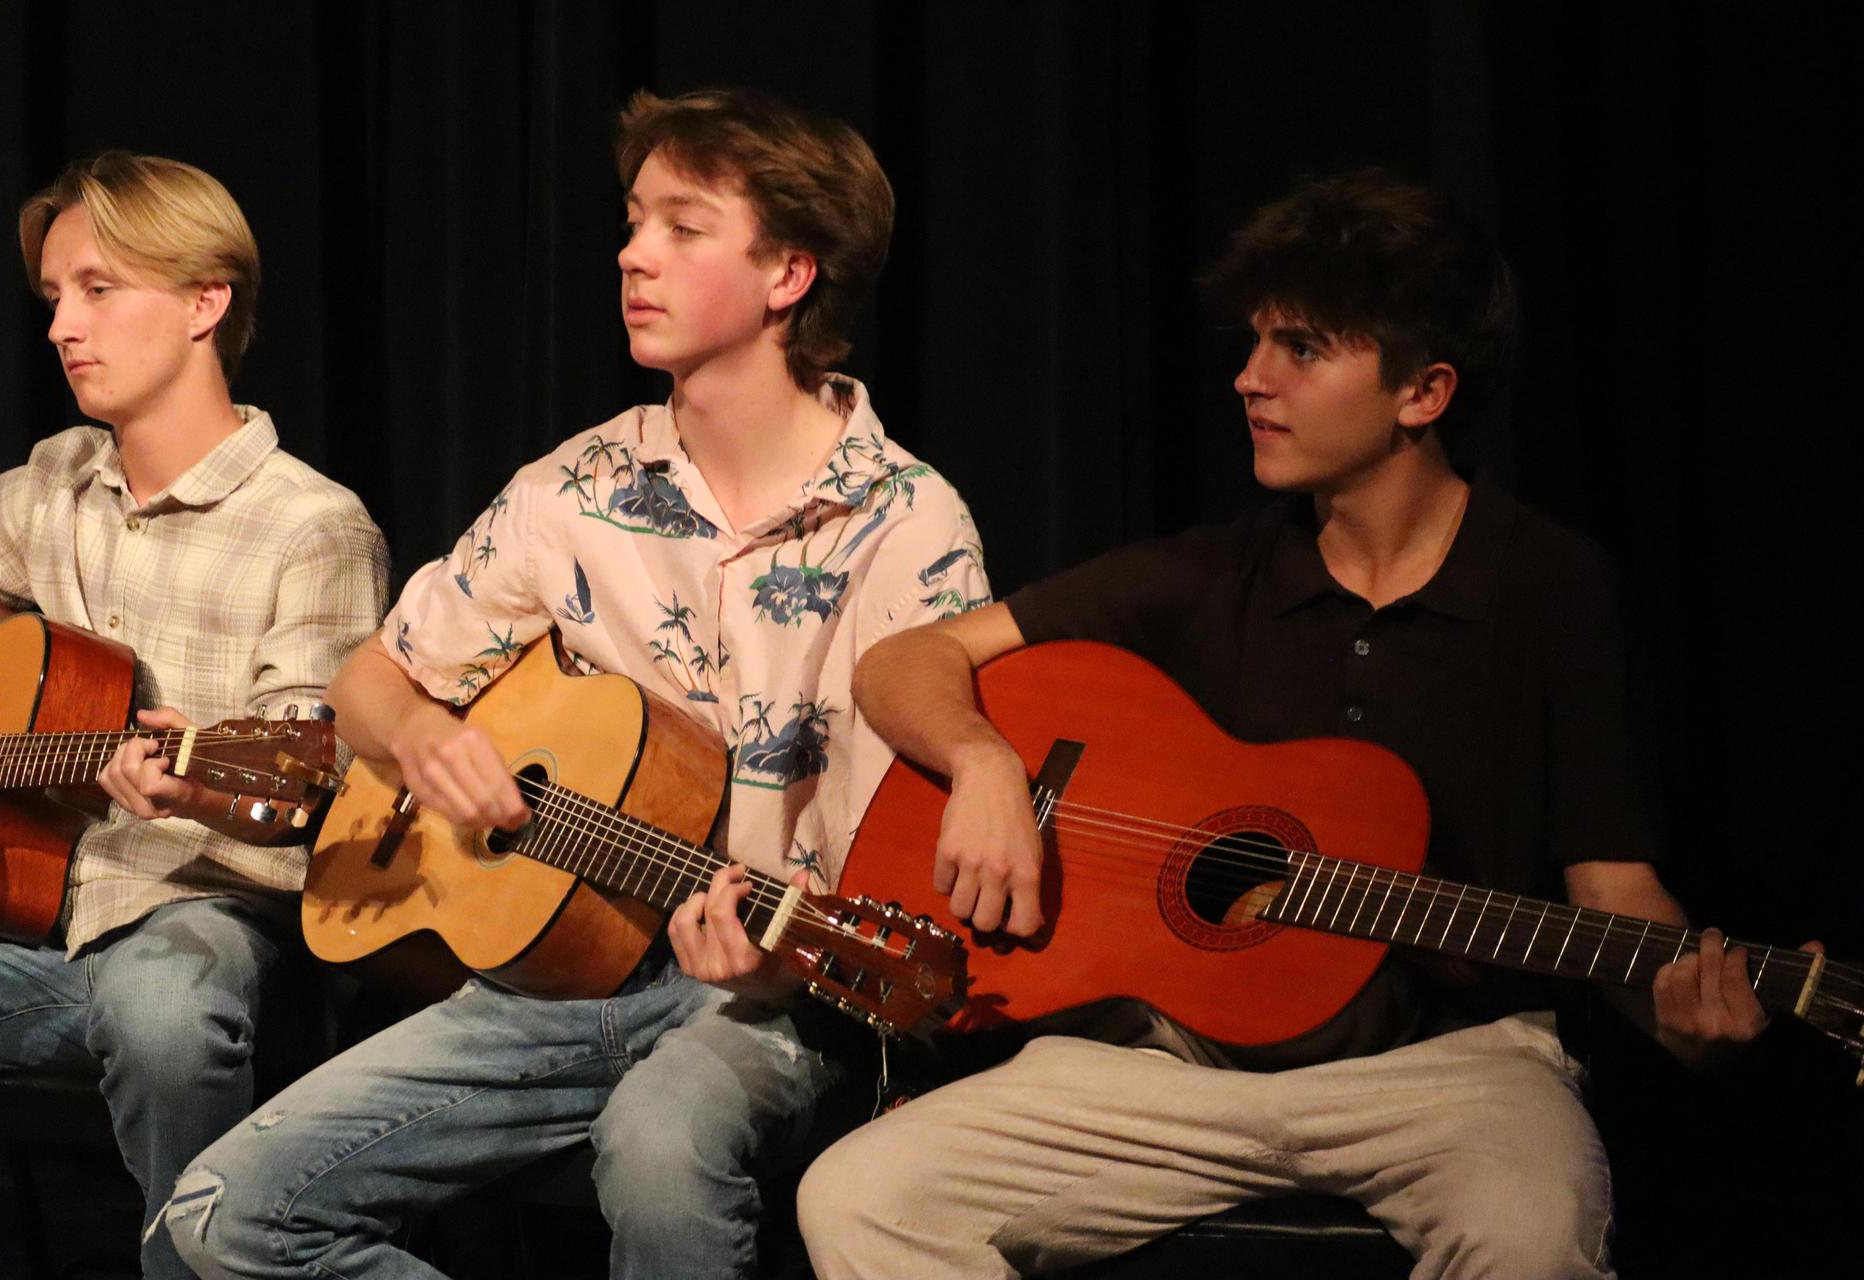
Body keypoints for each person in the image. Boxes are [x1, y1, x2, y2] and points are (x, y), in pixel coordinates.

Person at [797, 170, 1786, 1280]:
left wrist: (1685, 1020)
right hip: (1172, 1065)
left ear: (1424, 391)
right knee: (861, 1195)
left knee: (1532, 1232)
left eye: (1301, 349)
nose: (1249, 378)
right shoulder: (1214, 569)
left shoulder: (1551, 589)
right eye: (1257, 341)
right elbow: (908, 658)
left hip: (1448, 1073)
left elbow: (1616, 895)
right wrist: (979, 761)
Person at [165, 87, 989, 1280]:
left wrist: (776, 958)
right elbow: (368, 677)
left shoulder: (907, 522)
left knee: (658, 1147)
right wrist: (416, 733)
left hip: (786, 984)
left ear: (790, 274)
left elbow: (927, 839)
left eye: (681, 227)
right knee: (222, 1214)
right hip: (558, 971)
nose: (631, 252)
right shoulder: (577, 484)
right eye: (632, 220)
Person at [0, 152, 390, 1280]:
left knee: (159, 1010)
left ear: (205, 302)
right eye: (54, 297)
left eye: (98, 289)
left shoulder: (314, 526)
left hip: (209, 918)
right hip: (36, 923)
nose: (61, 327)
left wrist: (196, 781)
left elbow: (303, 780)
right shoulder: (58, 479)